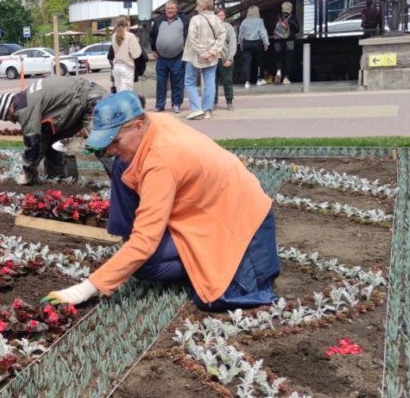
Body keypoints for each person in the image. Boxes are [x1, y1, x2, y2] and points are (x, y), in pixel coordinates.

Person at [42, 91, 280, 312]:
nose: (111, 149)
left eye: (116, 140)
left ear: (138, 125)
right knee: (123, 165)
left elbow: (145, 242)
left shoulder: (160, 164)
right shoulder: (150, 123)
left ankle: (198, 264)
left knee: (146, 264)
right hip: (213, 202)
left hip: (239, 218)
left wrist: (85, 289)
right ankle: (135, 246)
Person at [0, 76, 109, 184]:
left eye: (8, 118)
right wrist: (31, 170)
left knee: (102, 146)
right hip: (83, 99)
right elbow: (42, 140)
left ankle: (120, 182)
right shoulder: (27, 98)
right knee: (52, 144)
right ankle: (60, 182)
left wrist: (27, 172)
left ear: (9, 109)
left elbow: (32, 142)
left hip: (92, 100)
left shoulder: (23, 108)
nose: (13, 121)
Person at [182, 0, 224, 121]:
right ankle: (207, 110)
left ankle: (196, 109)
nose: (196, 8)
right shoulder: (217, 20)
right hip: (212, 57)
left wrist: (203, 53)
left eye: (198, 5)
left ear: (203, 5)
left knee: (189, 82)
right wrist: (211, 52)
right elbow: (221, 38)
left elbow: (192, 39)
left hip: (194, 56)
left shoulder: (195, 19)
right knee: (210, 83)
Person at [149, 0, 189, 113]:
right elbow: (152, 35)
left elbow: (189, 35)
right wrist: (153, 49)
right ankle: (159, 105)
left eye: (172, 8)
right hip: (161, 58)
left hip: (178, 57)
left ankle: (176, 104)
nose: (169, 10)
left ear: (176, 9)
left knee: (177, 82)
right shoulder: (159, 21)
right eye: (168, 8)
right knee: (161, 83)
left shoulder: (183, 20)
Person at [238, 6, 269, 90]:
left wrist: (240, 43)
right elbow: (262, 32)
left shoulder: (244, 22)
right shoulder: (260, 21)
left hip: (247, 42)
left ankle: (247, 81)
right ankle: (259, 79)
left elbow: (241, 33)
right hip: (257, 43)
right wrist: (266, 42)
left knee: (246, 62)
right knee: (259, 61)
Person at [109, 16, 141, 93]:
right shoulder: (130, 36)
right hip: (127, 66)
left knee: (119, 92)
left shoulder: (113, 36)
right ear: (127, 24)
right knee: (126, 93)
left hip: (116, 67)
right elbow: (136, 54)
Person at [271, 1, 299, 85]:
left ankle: (278, 72)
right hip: (289, 41)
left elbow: (272, 27)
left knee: (279, 58)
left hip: (278, 41)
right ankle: (286, 78)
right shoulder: (292, 18)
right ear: (290, 9)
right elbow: (297, 29)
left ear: (282, 9)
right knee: (288, 59)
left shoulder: (278, 17)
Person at [214, 8, 237, 111]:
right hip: (213, 59)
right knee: (212, 83)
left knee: (227, 81)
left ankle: (229, 102)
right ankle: (213, 102)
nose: (220, 17)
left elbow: (233, 44)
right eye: (218, 15)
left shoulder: (229, 28)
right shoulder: (211, 27)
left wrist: (230, 58)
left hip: (225, 59)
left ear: (225, 16)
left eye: (222, 15)